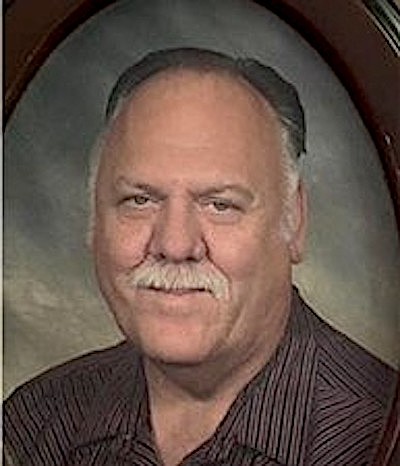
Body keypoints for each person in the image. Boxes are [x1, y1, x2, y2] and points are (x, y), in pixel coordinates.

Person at [4, 48, 397, 466]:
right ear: (93, 219)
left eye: (220, 205)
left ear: (294, 221)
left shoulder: (377, 431)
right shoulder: (33, 423)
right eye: (139, 200)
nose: (175, 245)